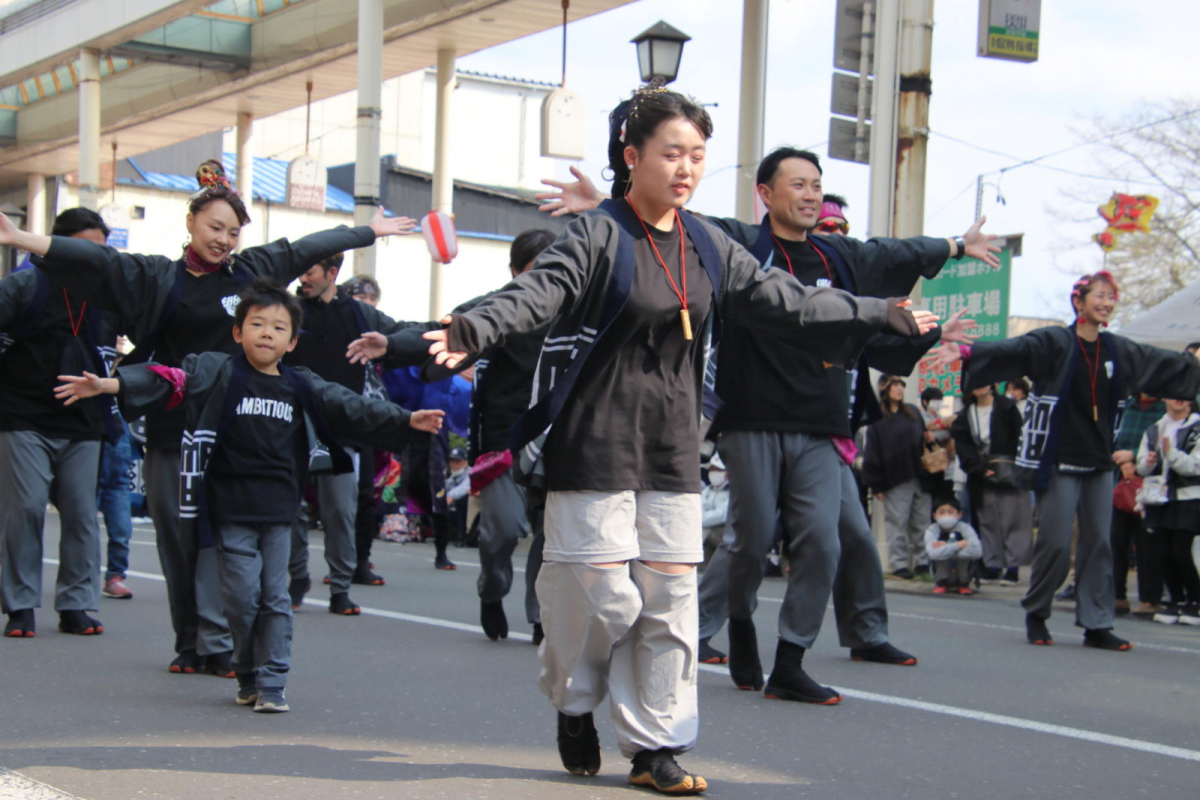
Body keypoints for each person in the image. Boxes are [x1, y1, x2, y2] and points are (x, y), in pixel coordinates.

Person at [407, 88, 936, 794]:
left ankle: (655, 746)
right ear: (632, 158)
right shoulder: (598, 235)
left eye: (697, 155)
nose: (686, 167)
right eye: (671, 153)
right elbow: (540, 292)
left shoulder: (709, 244)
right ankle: (574, 700)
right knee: (602, 598)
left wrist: (881, 313)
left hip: (671, 452)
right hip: (593, 446)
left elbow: (793, 301)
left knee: (667, 604)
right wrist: (473, 329)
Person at [533, 147, 991, 704]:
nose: (810, 194)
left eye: (817, 185)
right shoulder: (741, 246)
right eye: (797, 184)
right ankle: (740, 623)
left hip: (821, 424)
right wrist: (604, 203)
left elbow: (893, 251)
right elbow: (674, 223)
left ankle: (792, 661)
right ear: (767, 194)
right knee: (749, 543)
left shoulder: (839, 257)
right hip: (751, 419)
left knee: (823, 541)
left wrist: (957, 245)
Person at [0, 159, 416, 674]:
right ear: (192, 224)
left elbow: (303, 248)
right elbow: (98, 264)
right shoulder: (156, 276)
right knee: (179, 546)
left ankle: (222, 645)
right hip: (173, 432)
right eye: (214, 228)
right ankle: (190, 643)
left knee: (221, 544)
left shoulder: (249, 273)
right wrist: (25, 239)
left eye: (233, 232)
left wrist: (366, 231)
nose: (223, 240)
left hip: (235, 436)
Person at [55, 279, 444, 712]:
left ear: (292, 342)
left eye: (278, 328)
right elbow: (169, 377)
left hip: (279, 508)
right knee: (240, 599)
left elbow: (351, 405)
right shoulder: (216, 371)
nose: (266, 333)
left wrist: (408, 419)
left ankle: (273, 681)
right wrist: (111, 385)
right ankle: (246, 669)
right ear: (238, 332)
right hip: (229, 507)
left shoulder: (301, 384)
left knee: (274, 597)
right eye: (257, 324)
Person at [931, 271, 1200, 650]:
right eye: (1099, 295)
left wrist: (1193, 365)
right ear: (1079, 301)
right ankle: (1037, 612)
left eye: (1111, 297)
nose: (1106, 303)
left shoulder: (1118, 349)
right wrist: (968, 351)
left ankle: (1096, 622)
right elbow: (1018, 349)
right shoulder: (1056, 341)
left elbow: (1161, 363)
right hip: (1057, 459)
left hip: (1099, 460)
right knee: (1055, 544)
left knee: (1099, 544)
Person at [351, 228, 559, 642]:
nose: (546, 281)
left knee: (553, 535)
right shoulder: (501, 305)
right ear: (516, 272)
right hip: (506, 441)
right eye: (536, 271)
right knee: (502, 528)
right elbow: (446, 327)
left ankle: (542, 617)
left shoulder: (577, 307)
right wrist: (392, 345)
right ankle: (492, 590)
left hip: (560, 438)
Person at [286, 251, 433, 614]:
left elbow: (402, 330)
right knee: (290, 510)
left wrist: (447, 328)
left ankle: (340, 587)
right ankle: (296, 580)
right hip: (289, 426)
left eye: (310, 272)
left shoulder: (358, 313)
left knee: (340, 511)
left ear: (332, 273)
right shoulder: (288, 309)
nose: (303, 279)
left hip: (340, 429)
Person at [0, 208, 120, 638]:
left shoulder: (111, 296)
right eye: (88, 248)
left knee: (82, 514)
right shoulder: (24, 284)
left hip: (85, 422)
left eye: (104, 252)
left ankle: (76, 604)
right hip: (22, 417)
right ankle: (20, 605)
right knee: (27, 508)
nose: (98, 259)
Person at [951, 384, 1031, 586]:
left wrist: (1016, 465)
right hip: (980, 473)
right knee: (988, 519)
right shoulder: (965, 413)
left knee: (1014, 517)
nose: (981, 386)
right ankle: (992, 565)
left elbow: (1019, 437)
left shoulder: (1007, 407)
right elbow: (963, 445)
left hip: (1009, 469)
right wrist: (977, 467)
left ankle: (1013, 567)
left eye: (985, 381)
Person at [1135, 398, 1200, 626]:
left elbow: (1195, 466)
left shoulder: (1197, 428)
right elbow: (1141, 466)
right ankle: (1175, 599)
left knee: (1181, 551)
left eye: (1182, 394)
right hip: (1157, 499)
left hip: (1188, 497)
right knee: (1161, 553)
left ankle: (1195, 600)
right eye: (1172, 394)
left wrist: (1171, 453)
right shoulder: (1154, 428)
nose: (1178, 399)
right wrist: (1148, 462)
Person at [862, 375, 933, 579]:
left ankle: (922, 562)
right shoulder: (877, 418)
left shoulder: (912, 412)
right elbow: (872, 452)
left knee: (922, 522)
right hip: (895, 478)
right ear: (884, 389)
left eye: (901, 385)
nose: (899, 389)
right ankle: (899, 563)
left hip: (921, 474)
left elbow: (925, 434)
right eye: (894, 385)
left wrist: (928, 436)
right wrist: (875, 485)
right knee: (897, 523)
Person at [924, 497, 982, 595]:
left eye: (950, 512)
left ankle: (964, 584)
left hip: (962, 571)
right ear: (935, 516)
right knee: (941, 556)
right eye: (941, 513)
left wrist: (946, 547)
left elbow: (978, 551)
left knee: (961, 556)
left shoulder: (966, 528)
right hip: (941, 571)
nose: (946, 516)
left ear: (959, 515)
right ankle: (940, 583)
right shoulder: (931, 531)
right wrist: (959, 545)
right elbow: (933, 554)